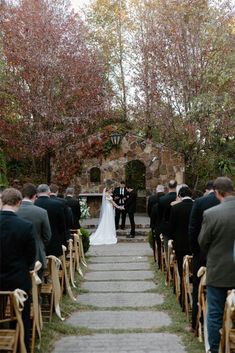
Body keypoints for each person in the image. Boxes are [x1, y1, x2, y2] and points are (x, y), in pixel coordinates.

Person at [198, 177, 235, 353]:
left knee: (214, 314)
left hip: (219, 270)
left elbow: (202, 242)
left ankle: (214, 349)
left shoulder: (211, 214)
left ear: (217, 192)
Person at [0, 188, 36, 353]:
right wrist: (26, 267)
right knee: (21, 316)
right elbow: (31, 256)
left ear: (3, 201)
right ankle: (23, 346)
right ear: (19, 202)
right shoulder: (25, 226)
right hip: (18, 279)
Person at [188, 180, 219, 332]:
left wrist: (196, 251)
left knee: (198, 288)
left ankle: (196, 322)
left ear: (209, 189)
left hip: (202, 254)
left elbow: (193, 229)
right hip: (224, 257)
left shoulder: (200, 203)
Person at [17, 183, 51, 279]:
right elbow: (47, 236)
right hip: (37, 254)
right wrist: (40, 245)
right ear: (34, 196)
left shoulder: (15, 211)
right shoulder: (41, 212)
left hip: (16, 255)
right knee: (37, 283)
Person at [169, 186, 193, 305]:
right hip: (193, 244)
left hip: (180, 244)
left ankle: (183, 296)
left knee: (181, 269)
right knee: (193, 269)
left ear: (180, 195)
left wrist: (173, 240)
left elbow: (172, 228)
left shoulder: (175, 208)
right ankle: (194, 293)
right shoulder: (196, 206)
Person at [35, 184, 67, 257]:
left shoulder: (34, 205)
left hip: (37, 245)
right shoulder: (58, 204)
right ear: (49, 192)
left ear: (37, 193)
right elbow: (62, 226)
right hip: (54, 243)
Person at [155, 180, 177, 266]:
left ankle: (168, 267)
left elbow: (159, 216)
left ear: (168, 187)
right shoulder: (179, 198)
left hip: (166, 227)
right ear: (176, 186)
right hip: (178, 228)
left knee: (167, 247)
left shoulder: (162, 199)